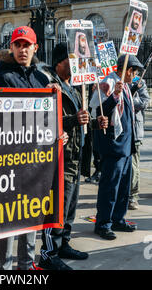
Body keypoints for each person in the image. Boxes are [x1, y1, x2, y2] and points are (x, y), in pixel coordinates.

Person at [39, 42, 108, 270]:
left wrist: (97, 123)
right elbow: (45, 122)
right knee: (56, 209)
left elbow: (82, 123)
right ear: (60, 62)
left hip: (76, 159)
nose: (77, 64)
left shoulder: (75, 88)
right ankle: (48, 254)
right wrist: (72, 121)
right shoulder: (51, 86)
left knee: (69, 208)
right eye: (71, 60)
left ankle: (64, 244)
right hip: (60, 158)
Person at [0, 26, 51, 270]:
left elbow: (47, 117)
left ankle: (26, 265)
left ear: (35, 48)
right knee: (7, 218)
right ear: (12, 48)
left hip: (35, 161)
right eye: (18, 45)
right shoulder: (3, 77)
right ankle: (4, 269)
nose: (22, 49)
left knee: (30, 213)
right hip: (9, 161)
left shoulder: (41, 79)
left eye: (27, 45)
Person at [90, 54, 143, 240]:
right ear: (127, 70)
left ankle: (118, 218)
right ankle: (103, 223)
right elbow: (99, 110)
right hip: (113, 145)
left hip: (126, 146)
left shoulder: (126, 86)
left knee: (123, 187)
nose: (134, 75)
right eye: (134, 71)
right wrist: (114, 96)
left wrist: (134, 88)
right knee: (110, 187)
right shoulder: (109, 83)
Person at [128, 77, 150, 210]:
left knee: (133, 165)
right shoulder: (112, 80)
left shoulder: (138, 81)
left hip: (135, 130)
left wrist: (128, 98)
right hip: (119, 130)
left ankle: (133, 195)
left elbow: (145, 101)